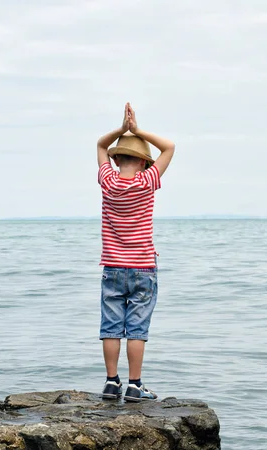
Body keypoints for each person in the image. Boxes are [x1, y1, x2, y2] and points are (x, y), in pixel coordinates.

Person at [96, 102, 175, 401]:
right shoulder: (147, 182)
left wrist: (121, 130)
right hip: (143, 267)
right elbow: (169, 147)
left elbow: (100, 145)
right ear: (144, 163)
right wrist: (137, 130)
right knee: (137, 329)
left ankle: (111, 382)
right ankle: (135, 384)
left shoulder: (108, 181)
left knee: (111, 326)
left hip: (113, 268)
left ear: (116, 161)